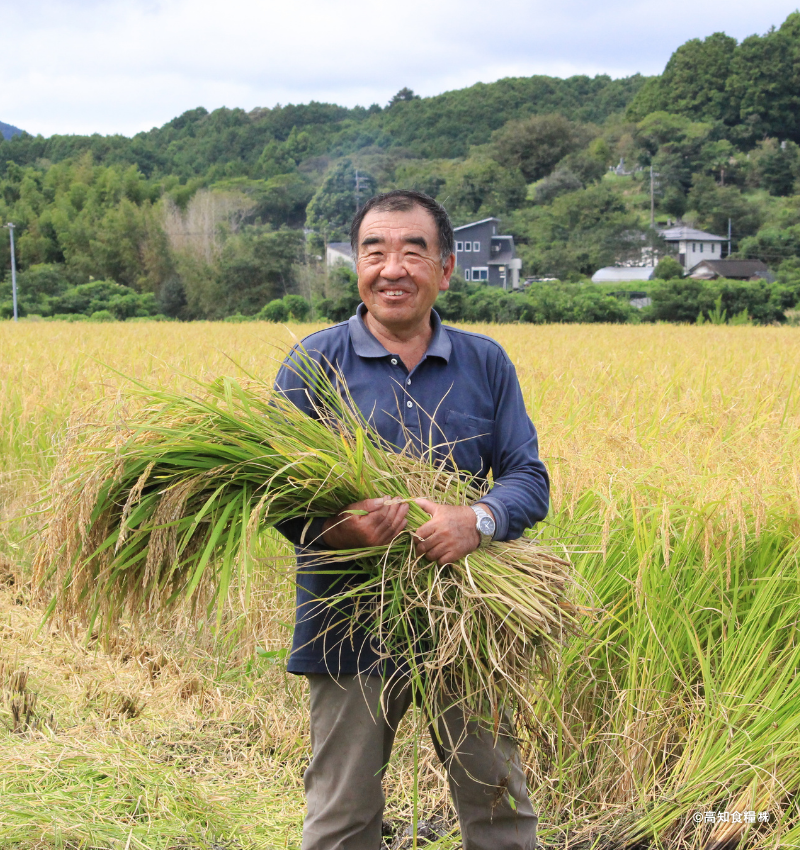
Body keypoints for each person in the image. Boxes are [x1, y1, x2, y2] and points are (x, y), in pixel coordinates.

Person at [275, 190, 549, 850]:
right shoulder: (313, 363)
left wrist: (477, 519)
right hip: (348, 622)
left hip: (468, 620)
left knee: (499, 806)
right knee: (342, 814)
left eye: (412, 252)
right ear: (357, 267)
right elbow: (275, 493)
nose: (392, 269)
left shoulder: (485, 363)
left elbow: (528, 478)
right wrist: (340, 530)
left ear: (445, 270)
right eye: (374, 252)